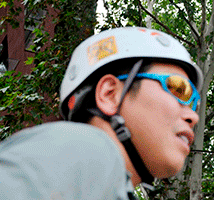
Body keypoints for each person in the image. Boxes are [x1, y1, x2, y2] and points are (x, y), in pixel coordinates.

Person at [0, 26, 203, 200]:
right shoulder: (87, 148)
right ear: (109, 94)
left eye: (195, 104)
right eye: (179, 89)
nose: (193, 116)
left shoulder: (105, 183)